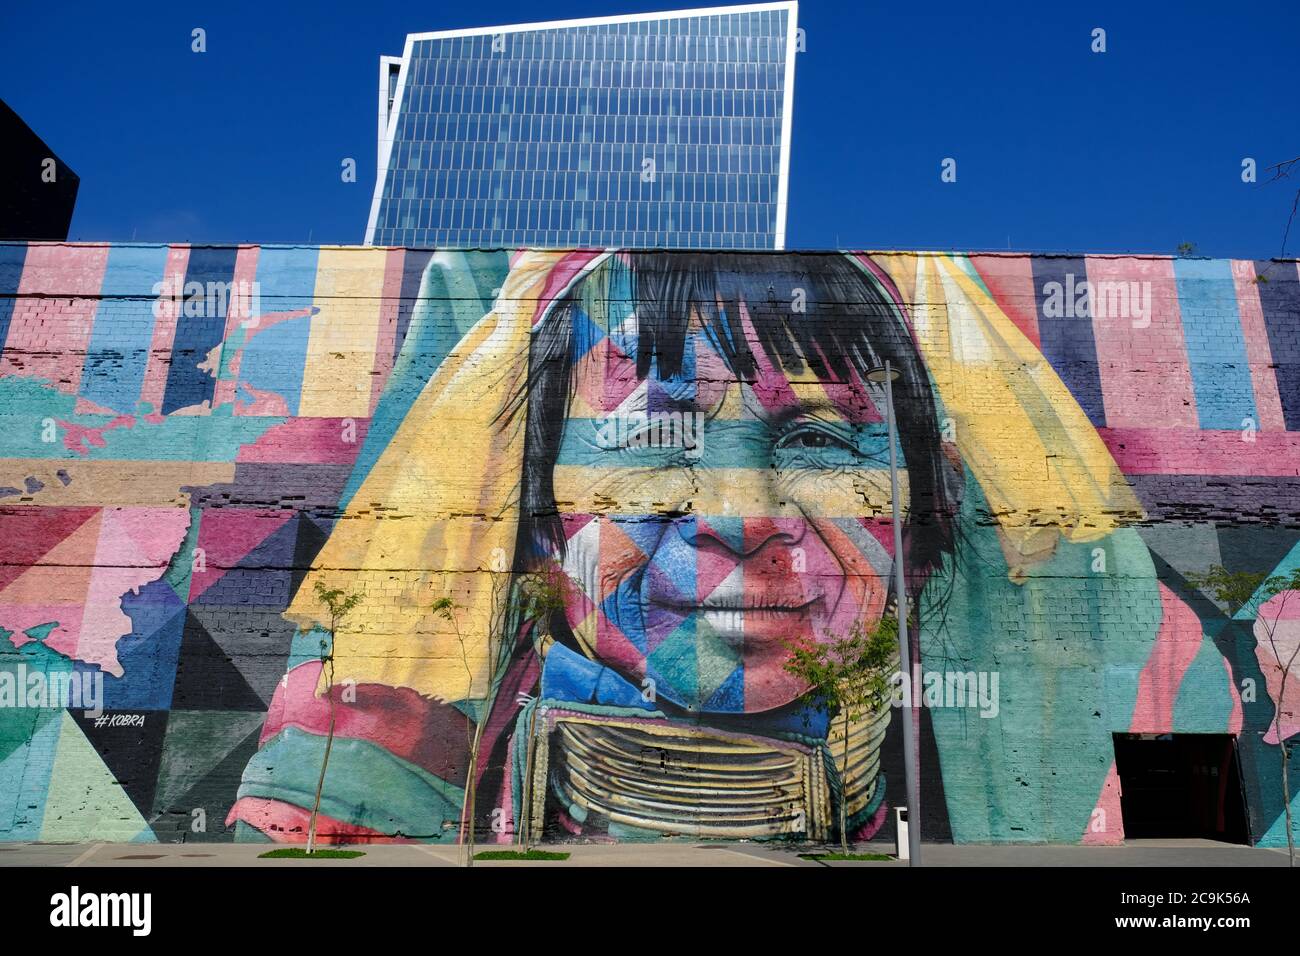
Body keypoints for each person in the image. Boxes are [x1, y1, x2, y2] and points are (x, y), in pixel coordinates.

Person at [228, 249, 1162, 845]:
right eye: (647, 438)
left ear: (921, 533)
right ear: (539, 522)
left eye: (822, 441)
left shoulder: (1058, 797)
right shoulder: (367, 765)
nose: (741, 513)